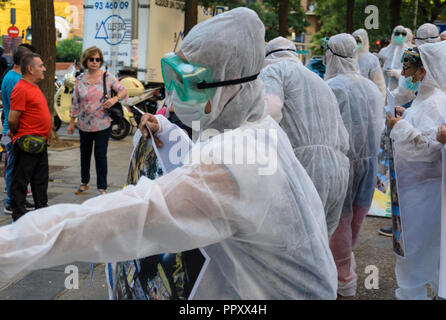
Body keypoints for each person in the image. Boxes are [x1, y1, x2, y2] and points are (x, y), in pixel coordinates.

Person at [0, 8, 337, 299]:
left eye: (185, 84)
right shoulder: (256, 127)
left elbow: (130, 217)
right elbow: (202, 165)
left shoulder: (239, 159)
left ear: (229, 82)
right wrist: (167, 131)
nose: (173, 99)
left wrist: (12, 246)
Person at [259, 36, 350, 238]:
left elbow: (270, 112)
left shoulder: (273, 70)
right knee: (320, 246)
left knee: (295, 245)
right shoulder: (319, 80)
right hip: (339, 169)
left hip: (306, 167)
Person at [324, 33, 385, 297]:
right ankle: (345, 263)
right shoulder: (371, 87)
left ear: (332, 55)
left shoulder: (332, 87)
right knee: (356, 219)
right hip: (368, 162)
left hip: (341, 163)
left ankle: (343, 279)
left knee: (340, 221)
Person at [386, 43, 446, 300]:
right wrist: (406, 116)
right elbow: (425, 129)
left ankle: (413, 294)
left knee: (415, 249)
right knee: (424, 249)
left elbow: (432, 149)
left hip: (424, 190)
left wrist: (400, 128)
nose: (405, 75)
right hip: (414, 188)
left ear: (423, 71)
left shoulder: (435, 102)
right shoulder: (424, 99)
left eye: (409, 69)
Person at [68, 47, 128, 196]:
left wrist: (114, 99)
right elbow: (75, 101)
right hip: (83, 124)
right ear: (86, 61)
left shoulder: (107, 77)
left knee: (100, 155)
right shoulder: (80, 79)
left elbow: (123, 90)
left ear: (100, 61)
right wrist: (71, 121)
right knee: (85, 154)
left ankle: (102, 187)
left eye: (97, 60)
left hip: (103, 124)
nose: (94, 62)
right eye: (91, 59)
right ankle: (84, 181)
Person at [8, 53, 52, 222]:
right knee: (20, 182)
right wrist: (18, 133)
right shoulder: (21, 88)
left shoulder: (33, 86)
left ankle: (43, 215)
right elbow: (13, 119)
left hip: (39, 143)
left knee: (40, 182)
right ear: (30, 69)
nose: (44, 69)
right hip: (27, 143)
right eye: (41, 66)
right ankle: (18, 218)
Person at [1, 46, 35, 215]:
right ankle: (11, 203)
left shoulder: (11, 76)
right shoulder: (16, 80)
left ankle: (15, 200)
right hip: (14, 131)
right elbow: (18, 110)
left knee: (13, 167)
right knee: (14, 168)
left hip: (10, 130)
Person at [352, 28, 386, 100]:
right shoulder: (349, 58)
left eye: (358, 41)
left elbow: (380, 85)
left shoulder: (372, 59)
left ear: (364, 41)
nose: (356, 43)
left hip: (369, 100)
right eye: (354, 40)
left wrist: (380, 104)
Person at [381, 25, 410, 91]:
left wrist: (398, 73)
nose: (400, 36)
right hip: (384, 89)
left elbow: (412, 74)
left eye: (403, 34)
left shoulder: (409, 52)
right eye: (397, 33)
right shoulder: (384, 51)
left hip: (400, 92)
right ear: (393, 34)